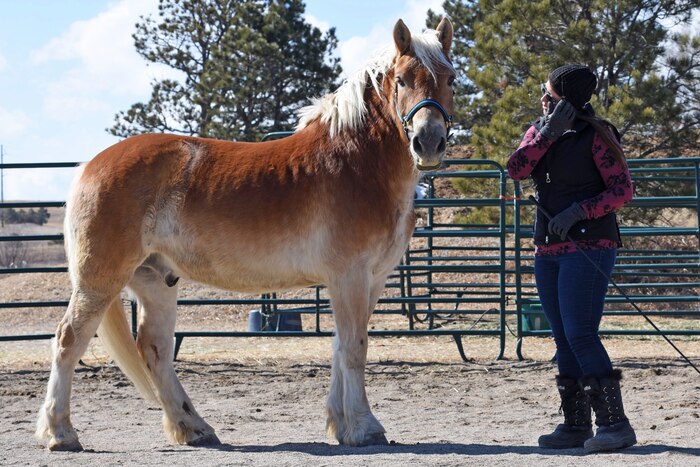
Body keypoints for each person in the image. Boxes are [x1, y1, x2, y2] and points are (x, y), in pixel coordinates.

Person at [507, 64, 635, 453]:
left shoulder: (597, 135)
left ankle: (615, 424)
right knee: (563, 338)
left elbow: (622, 190)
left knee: (580, 333)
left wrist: (579, 211)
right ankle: (575, 425)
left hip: (589, 248)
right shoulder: (540, 131)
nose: (542, 99)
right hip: (547, 249)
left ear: (564, 100)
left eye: (547, 93)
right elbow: (516, 168)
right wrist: (547, 133)